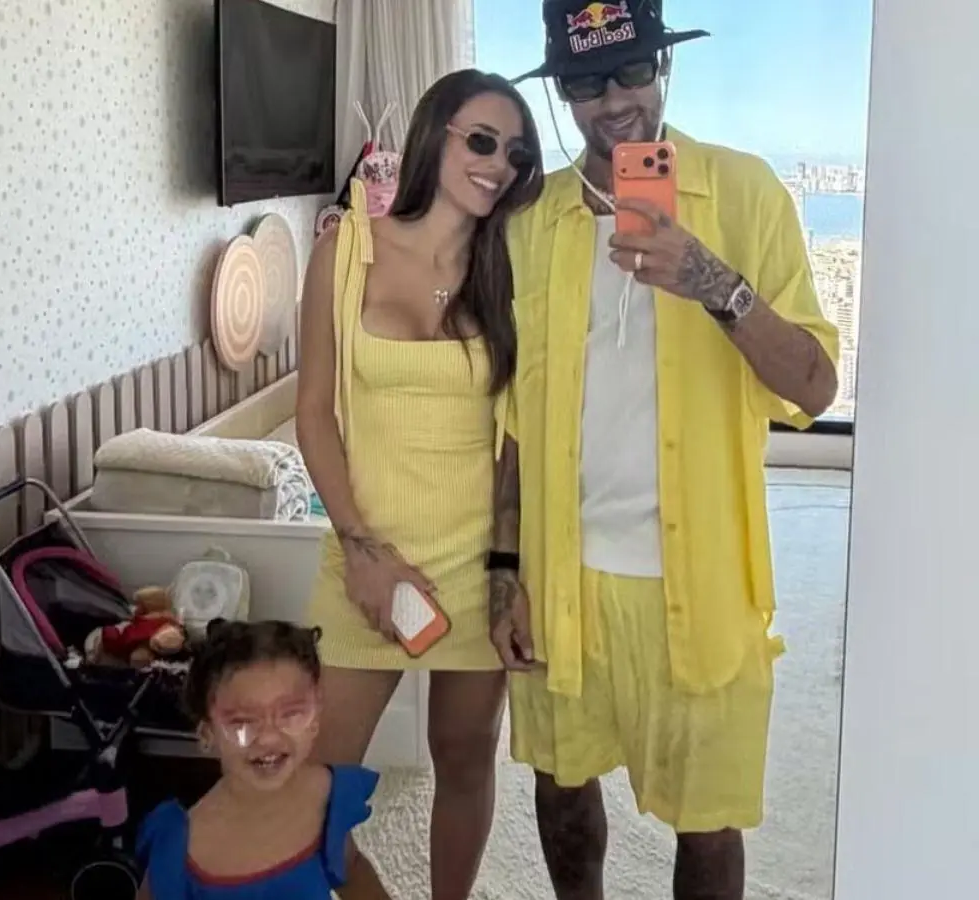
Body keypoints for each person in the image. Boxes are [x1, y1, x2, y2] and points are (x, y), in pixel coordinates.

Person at [487, 2, 841, 899]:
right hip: (563, 578)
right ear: (561, 93)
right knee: (562, 788)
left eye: (633, 71)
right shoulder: (530, 223)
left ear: (664, 69)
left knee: (708, 821)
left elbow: (814, 388)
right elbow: (515, 420)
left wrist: (713, 281)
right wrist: (503, 569)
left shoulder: (746, 194)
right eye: (584, 81)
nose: (614, 102)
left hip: (703, 582)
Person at [296, 69, 544, 898]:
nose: (499, 165)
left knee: (466, 763)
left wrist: (508, 574)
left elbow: (517, 441)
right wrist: (362, 551)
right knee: (312, 797)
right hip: (365, 560)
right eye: (483, 141)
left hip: (476, 569)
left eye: (516, 153)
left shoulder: (512, 269)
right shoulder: (345, 250)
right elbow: (314, 414)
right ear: (435, 134)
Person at [134, 619, 382, 899]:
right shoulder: (182, 846)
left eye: (291, 714)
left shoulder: (326, 797)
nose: (268, 739)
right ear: (207, 734)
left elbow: (351, 869)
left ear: (315, 717)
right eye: (242, 723)